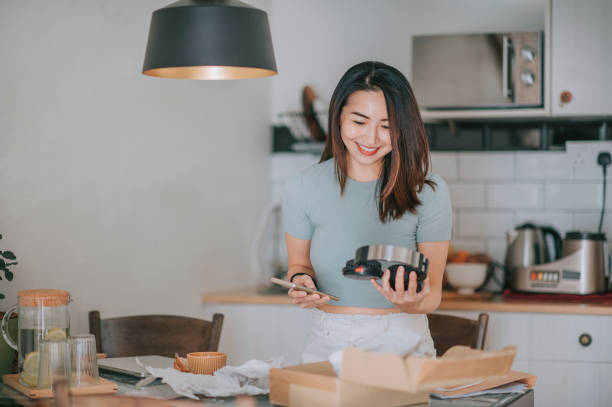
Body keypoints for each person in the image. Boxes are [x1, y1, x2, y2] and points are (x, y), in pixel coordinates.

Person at [282, 61, 452, 362]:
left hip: (403, 342)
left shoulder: (428, 192)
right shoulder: (303, 187)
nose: (371, 138)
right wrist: (301, 283)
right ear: (338, 118)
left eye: (387, 126)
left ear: (404, 128)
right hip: (327, 341)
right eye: (359, 122)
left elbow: (434, 293)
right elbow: (300, 265)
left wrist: (411, 302)